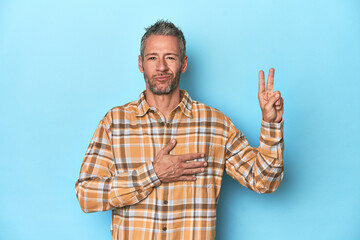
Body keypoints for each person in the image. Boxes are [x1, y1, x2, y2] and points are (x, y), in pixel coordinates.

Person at [75, 20, 284, 240]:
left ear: (183, 64)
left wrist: (271, 124)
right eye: (152, 57)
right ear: (141, 63)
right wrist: (153, 174)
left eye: (170, 57)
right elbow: (86, 195)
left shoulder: (215, 125)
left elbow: (265, 181)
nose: (162, 67)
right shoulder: (115, 123)